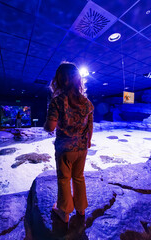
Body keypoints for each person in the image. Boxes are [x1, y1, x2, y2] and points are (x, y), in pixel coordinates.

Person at [44, 62, 94, 223]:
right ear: (78, 81)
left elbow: (50, 126)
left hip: (65, 149)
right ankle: (81, 209)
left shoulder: (57, 101)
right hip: (82, 148)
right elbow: (90, 126)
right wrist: (89, 142)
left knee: (64, 179)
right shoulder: (86, 102)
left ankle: (64, 212)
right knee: (79, 177)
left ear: (58, 80)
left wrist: (47, 125)